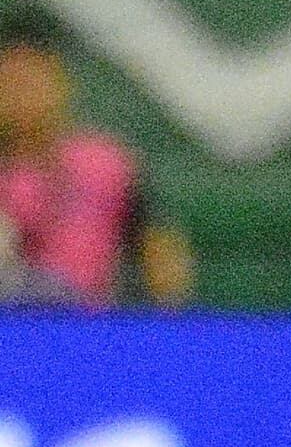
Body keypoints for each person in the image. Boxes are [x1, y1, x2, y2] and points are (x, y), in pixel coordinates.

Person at [0, 34, 188, 309]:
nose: (24, 97)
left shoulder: (105, 163)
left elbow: (156, 241)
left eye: (32, 82)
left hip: (88, 319)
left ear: (60, 85)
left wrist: (168, 309)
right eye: (12, 83)